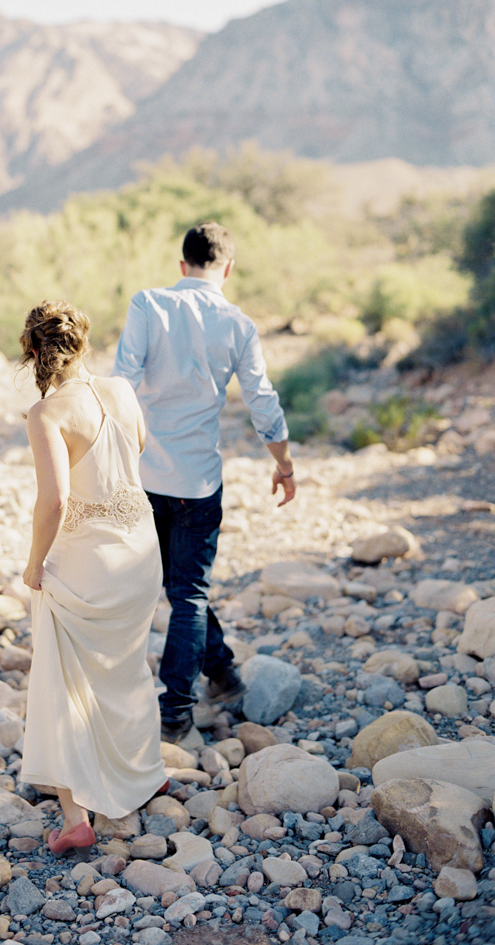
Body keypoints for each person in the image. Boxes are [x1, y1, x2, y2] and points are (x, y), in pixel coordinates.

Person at [112, 221, 296, 744]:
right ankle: (193, 697)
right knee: (187, 593)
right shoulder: (239, 324)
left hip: (144, 476)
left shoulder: (148, 303)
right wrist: (284, 464)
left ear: (182, 264)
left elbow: (121, 381)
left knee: (181, 593)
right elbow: (262, 401)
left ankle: (203, 688)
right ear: (228, 269)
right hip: (198, 482)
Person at [18, 299, 166, 861]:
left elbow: (54, 501)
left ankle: (76, 817)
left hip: (89, 562)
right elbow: (142, 445)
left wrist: (36, 564)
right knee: (126, 667)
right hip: (140, 551)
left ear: (33, 351)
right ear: (83, 343)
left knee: (62, 681)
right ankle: (143, 775)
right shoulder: (122, 391)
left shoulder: (47, 414)